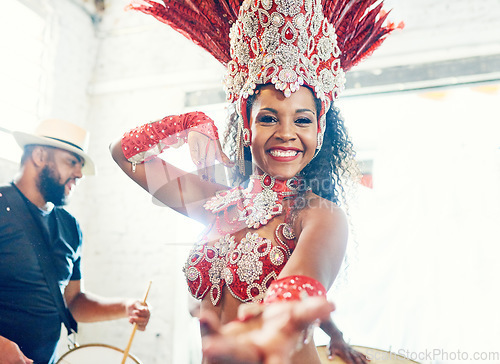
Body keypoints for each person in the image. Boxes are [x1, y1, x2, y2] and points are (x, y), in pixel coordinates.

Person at [112, 0, 401, 362]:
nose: (286, 134)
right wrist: (187, 123)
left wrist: (263, 339)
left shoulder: (320, 215)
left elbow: (295, 291)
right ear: (246, 127)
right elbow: (124, 153)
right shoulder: (215, 203)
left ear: (320, 130)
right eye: (268, 118)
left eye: (302, 120)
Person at [0, 118, 151, 364]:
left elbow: (72, 302)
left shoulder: (70, 226)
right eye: (72, 162)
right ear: (39, 155)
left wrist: (125, 306)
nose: (79, 174)